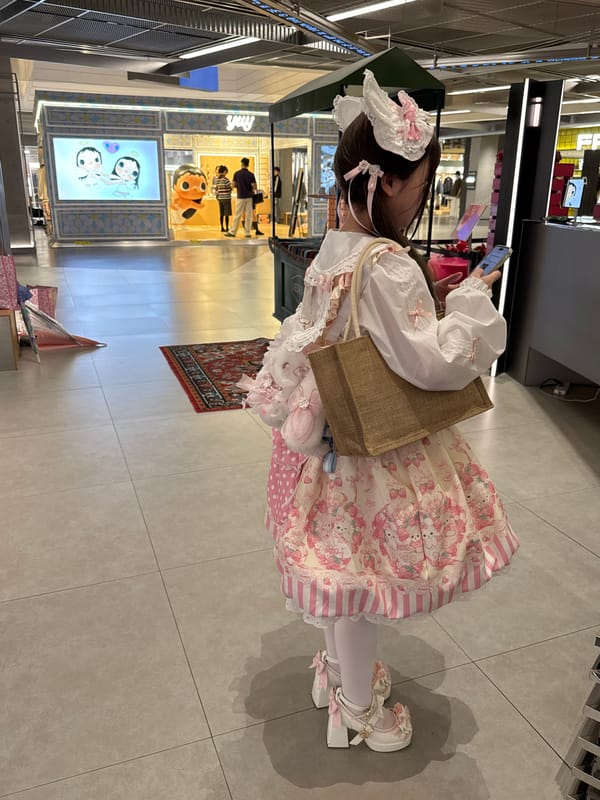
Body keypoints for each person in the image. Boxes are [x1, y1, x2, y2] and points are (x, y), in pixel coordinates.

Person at [240, 70, 517, 753]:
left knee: (339, 576)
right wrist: (469, 308)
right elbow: (432, 365)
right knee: (364, 585)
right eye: (422, 179)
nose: (424, 192)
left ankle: (336, 679)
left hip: (331, 444)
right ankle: (359, 712)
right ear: (390, 180)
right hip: (380, 452)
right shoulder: (390, 266)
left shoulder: (333, 251)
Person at [225, 157, 257, 238]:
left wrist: (238, 186)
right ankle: (247, 232)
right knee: (249, 215)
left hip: (240, 196)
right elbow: (254, 186)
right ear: (248, 164)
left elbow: (233, 185)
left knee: (237, 214)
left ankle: (233, 232)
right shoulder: (251, 174)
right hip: (249, 197)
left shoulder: (237, 173)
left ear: (242, 163)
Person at [215, 165, 232, 232]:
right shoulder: (226, 180)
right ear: (224, 171)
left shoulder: (217, 180)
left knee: (221, 214)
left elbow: (216, 189)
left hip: (220, 198)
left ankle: (222, 227)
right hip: (226, 198)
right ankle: (227, 227)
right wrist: (231, 188)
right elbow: (229, 189)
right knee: (226, 214)